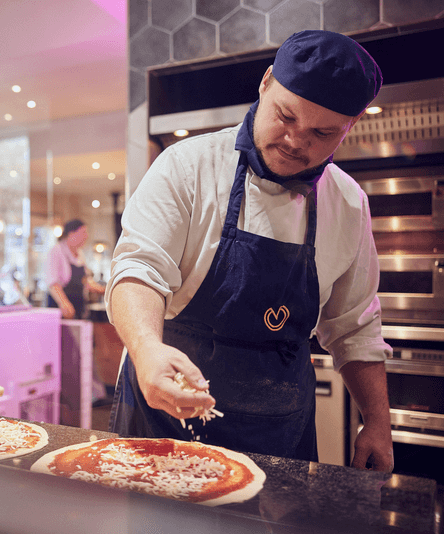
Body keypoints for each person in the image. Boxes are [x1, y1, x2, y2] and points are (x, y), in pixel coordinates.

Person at [105, 30, 394, 472]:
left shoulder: (349, 203)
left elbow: (355, 328)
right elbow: (138, 269)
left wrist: (377, 420)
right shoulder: (188, 165)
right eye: (285, 116)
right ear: (265, 83)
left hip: (277, 430)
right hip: (164, 412)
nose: (296, 141)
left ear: (349, 127)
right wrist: (146, 348)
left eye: (322, 133)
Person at [47, 219, 105, 320]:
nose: (86, 236)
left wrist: (104, 290)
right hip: (61, 308)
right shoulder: (56, 251)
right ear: (71, 234)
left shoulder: (80, 253)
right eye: (83, 232)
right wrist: (64, 304)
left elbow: (85, 281)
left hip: (78, 306)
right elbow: (53, 284)